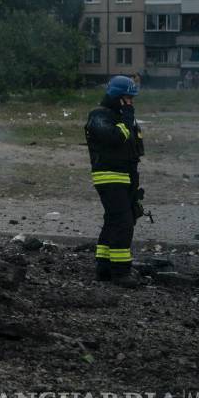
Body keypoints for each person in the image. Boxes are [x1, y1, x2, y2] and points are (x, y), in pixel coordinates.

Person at [84, 75, 144, 288]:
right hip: (109, 176)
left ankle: (104, 267)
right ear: (118, 97)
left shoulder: (122, 117)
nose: (131, 102)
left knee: (114, 221)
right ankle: (121, 272)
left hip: (126, 177)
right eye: (128, 98)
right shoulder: (99, 116)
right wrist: (127, 118)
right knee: (123, 223)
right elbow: (116, 138)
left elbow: (133, 148)